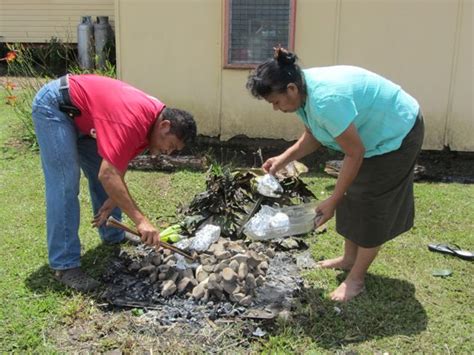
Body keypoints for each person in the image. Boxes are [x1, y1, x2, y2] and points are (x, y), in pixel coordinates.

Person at [246, 47, 424, 302]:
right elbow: (315, 134)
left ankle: (356, 279)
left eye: (275, 102)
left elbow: (355, 153)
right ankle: (348, 259)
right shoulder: (301, 92)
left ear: (291, 89)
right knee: (354, 194)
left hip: (398, 131)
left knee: (372, 202)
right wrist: (284, 159)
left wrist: (333, 200)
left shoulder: (326, 100)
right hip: (369, 139)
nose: (276, 108)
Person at [32, 74, 197, 292]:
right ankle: (65, 265)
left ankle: (113, 233)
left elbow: (120, 161)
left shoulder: (151, 123)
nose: (169, 152)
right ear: (165, 126)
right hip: (56, 107)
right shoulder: (133, 119)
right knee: (65, 183)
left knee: (106, 177)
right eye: (172, 145)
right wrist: (141, 221)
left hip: (83, 117)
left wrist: (112, 200)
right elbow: (109, 174)